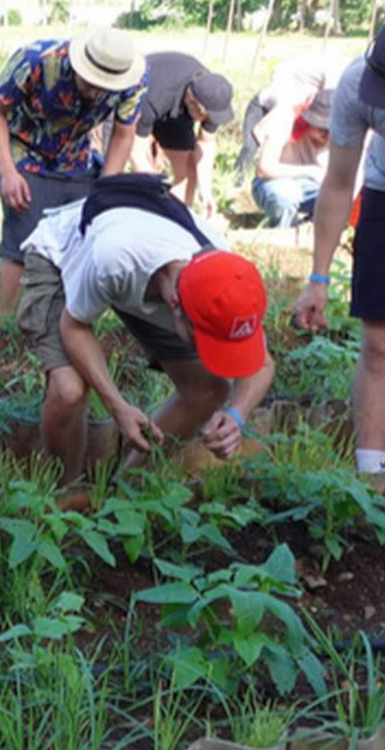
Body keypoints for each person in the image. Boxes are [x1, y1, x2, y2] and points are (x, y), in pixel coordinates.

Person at [17, 175, 275, 485]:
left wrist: (236, 415)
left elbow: (262, 363)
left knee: (209, 389)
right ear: (177, 307)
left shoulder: (226, 281)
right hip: (62, 255)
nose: (210, 350)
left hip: (141, 280)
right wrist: (118, 407)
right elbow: (74, 327)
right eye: (204, 339)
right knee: (69, 390)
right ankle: (67, 494)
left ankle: (125, 489)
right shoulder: (116, 257)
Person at [0, 27, 148, 317]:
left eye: (105, 86)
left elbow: (123, 134)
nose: (97, 92)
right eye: (92, 82)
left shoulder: (134, 80)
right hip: (24, 153)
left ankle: (58, 323)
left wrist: (107, 189)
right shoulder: (35, 60)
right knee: (22, 241)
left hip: (77, 157)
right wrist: (8, 171)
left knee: (80, 242)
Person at [295, 24, 385, 484]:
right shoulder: (359, 84)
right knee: (378, 345)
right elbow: (336, 182)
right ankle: (373, 480)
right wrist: (319, 278)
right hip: (382, 199)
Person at [127, 52, 235, 213]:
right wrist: (157, 191)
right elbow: (136, 152)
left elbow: (206, 142)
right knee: (138, 171)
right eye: (205, 116)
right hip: (139, 94)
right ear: (192, 102)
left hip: (178, 109)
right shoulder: (154, 97)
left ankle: (181, 218)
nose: (209, 120)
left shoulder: (212, 98)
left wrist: (205, 190)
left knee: (188, 170)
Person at [251, 88, 332, 227]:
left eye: (331, 130)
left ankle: (311, 228)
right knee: (286, 195)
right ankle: (282, 233)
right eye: (321, 129)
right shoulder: (287, 117)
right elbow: (264, 168)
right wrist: (311, 171)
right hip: (274, 181)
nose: (326, 136)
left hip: (313, 187)